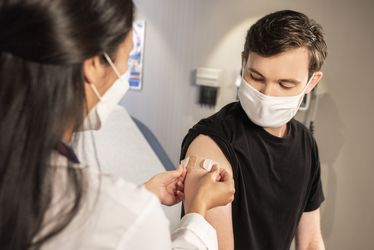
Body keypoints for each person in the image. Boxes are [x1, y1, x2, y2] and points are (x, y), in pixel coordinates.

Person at [0, 0, 235, 249]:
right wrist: (197, 210)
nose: (126, 69)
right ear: (92, 64)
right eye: (130, 55)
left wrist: (143, 194)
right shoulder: (128, 216)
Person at [180, 10, 327, 250]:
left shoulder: (306, 144)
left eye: (285, 84)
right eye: (255, 76)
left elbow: (311, 241)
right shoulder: (210, 143)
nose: (266, 94)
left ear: (311, 82)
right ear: (243, 61)